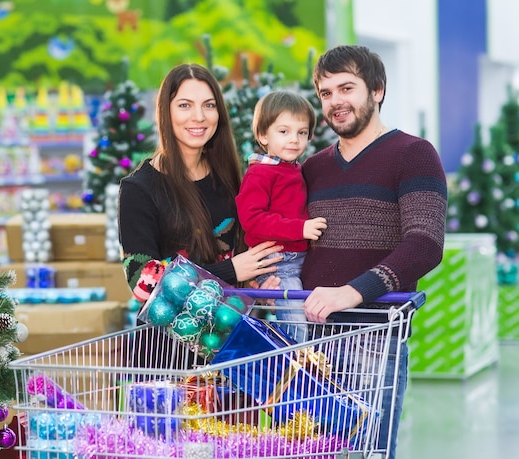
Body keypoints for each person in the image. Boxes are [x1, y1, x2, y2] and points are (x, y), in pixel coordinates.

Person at [300, 45, 447, 459]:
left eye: (346, 88)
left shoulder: (414, 154)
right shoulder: (312, 168)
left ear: (377, 90)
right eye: (325, 93)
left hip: (373, 340)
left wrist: (352, 292)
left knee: (365, 452)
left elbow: (425, 243)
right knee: (304, 450)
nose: (335, 102)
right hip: (308, 339)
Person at [118, 62, 282, 311]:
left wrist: (257, 286)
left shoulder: (229, 178)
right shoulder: (139, 189)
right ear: (166, 112)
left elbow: (246, 252)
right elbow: (143, 283)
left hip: (230, 337)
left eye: (209, 105)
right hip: (167, 345)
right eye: (185, 105)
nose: (199, 116)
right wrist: (231, 270)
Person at [235, 89, 327, 343]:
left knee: (313, 318)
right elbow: (252, 220)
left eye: (302, 133)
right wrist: (301, 229)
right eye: (283, 131)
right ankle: (294, 373)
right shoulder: (260, 174)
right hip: (280, 262)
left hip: (301, 260)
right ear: (263, 135)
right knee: (295, 325)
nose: (294, 140)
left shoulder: (295, 169)